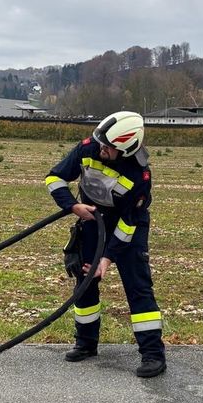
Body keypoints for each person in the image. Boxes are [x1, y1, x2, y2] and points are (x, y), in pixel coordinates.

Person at [45, 111, 166, 378]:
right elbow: (54, 178)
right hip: (90, 218)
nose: (101, 149)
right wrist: (73, 206)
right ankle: (86, 343)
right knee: (84, 280)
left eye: (108, 147)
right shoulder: (89, 147)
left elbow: (128, 225)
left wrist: (107, 259)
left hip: (127, 227)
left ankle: (153, 355)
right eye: (101, 142)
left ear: (126, 149)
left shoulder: (139, 176)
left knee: (138, 288)